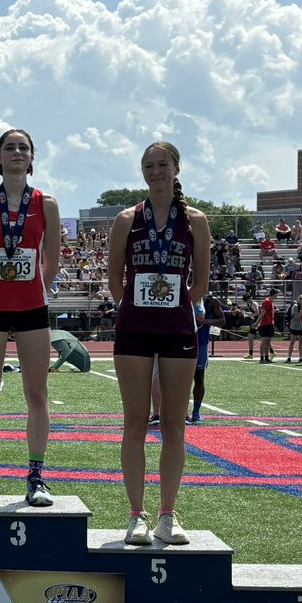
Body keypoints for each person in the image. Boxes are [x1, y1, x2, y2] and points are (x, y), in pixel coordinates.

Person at [108, 141, 210, 545]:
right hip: (134, 327)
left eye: (162, 164)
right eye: (149, 165)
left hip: (178, 328)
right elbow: (115, 279)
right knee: (134, 422)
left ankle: (168, 515)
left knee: (173, 424)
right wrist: (136, 305)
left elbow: (200, 282)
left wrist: (178, 304)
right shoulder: (126, 219)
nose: (156, 171)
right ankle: (137, 515)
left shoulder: (196, 220)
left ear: (176, 169)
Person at [0, 128, 59, 507]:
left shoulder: (46, 203)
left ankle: (36, 477)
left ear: (32, 157)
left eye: (23, 147)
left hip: (33, 308)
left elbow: (53, 259)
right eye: (9, 147)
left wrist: (36, 289)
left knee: (37, 394)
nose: (16, 152)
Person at [188, 293, 225, 423]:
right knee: (179, 379)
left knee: (199, 377)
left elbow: (222, 320)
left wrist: (206, 322)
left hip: (201, 343)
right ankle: (180, 412)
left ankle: (196, 412)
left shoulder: (211, 300)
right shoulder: (180, 294)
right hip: (182, 341)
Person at [257, 287, 277, 363]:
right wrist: (257, 322)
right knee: (264, 342)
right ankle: (262, 358)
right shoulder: (267, 302)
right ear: (274, 294)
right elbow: (262, 313)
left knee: (267, 342)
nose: (277, 296)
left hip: (269, 323)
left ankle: (266, 357)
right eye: (276, 294)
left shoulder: (271, 302)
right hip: (266, 324)